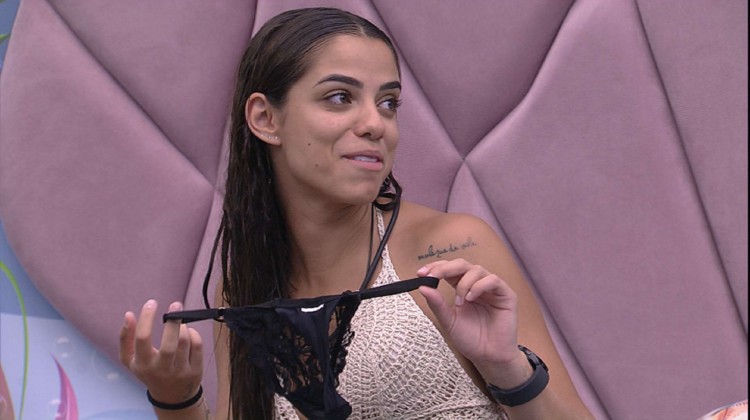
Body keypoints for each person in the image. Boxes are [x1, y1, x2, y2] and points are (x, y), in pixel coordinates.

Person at [118, 7, 594, 420]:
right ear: (265, 118)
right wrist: (177, 400)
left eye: (388, 103)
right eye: (340, 97)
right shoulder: (244, 287)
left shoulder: (451, 251)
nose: (375, 124)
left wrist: (509, 371)